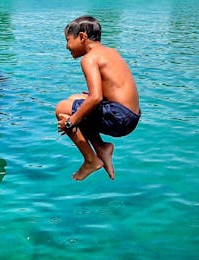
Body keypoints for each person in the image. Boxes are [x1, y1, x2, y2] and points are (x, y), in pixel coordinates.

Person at [55, 15, 140, 181]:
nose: (66, 46)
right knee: (75, 99)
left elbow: (95, 97)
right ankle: (101, 148)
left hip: (120, 117)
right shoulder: (110, 52)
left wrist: (71, 122)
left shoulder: (89, 59)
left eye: (68, 40)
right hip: (131, 115)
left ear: (82, 37)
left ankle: (91, 160)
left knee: (62, 109)